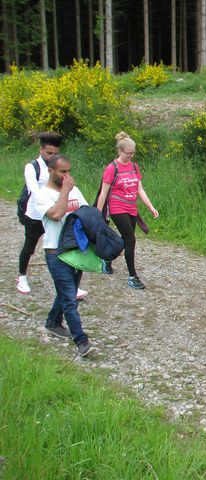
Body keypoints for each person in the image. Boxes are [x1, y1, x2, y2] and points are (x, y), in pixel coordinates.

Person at [34, 154, 94, 356]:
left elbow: (85, 213)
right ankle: (81, 340)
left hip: (75, 251)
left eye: (69, 171)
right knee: (70, 298)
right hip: (55, 253)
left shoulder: (75, 190)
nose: (67, 176)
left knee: (68, 290)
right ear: (50, 171)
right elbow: (57, 214)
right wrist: (65, 192)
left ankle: (52, 322)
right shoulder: (42, 195)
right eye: (63, 172)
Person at [16, 132, 87, 300]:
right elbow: (35, 191)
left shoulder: (59, 166)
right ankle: (22, 276)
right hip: (37, 213)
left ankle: (69, 285)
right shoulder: (32, 167)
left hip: (59, 209)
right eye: (49, 153)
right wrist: (56, 198)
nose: (52, 156)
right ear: (41, 150)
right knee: (30, 246)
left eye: (55, 153)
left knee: (62, 245)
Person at [96, 132, 158, 289]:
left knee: (126, 239)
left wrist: (150, 207)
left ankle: (107, 258)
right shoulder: (112, 168)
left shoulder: (134, 167)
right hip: (117, 207)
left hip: (132, 208)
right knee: (131, 239)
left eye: (133, 153)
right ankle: (132, 276)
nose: (131, 156)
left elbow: (140, 190)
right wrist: (98, 213)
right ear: (120, 150)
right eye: (128, 153)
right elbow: (104, 192)